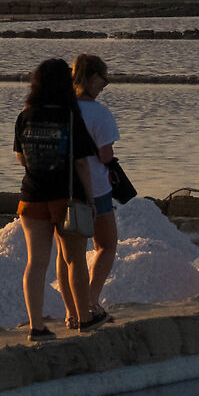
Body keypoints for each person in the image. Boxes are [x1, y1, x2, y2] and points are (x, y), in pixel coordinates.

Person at [13, 58, 97, 337]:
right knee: (74, 259)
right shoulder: (71, 117)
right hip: (66, 197)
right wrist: (92, 199)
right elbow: (83, 163)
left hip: (32, 196)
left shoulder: (26, 116)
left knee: (36, 262)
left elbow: (20, 157)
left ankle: (36, 326)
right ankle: (83, 318)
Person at [72, 54, 123, 324]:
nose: (104, 85)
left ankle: (73, 312)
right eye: (103, 79)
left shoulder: (62, 109)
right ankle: (90, 302)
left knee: (72, 253)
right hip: (97, 187)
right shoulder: (100, 113)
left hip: (64, 187)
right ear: (91, 78)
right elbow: (105, 154)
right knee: (106, 245)